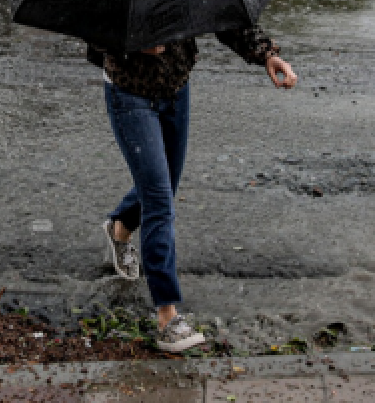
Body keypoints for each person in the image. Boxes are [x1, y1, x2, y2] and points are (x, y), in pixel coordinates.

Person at [89, 30, 297, 353]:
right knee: (159, 200)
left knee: (165, 185)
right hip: (129, 93)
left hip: (175, 89)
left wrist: (266, 55)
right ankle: (167, 316)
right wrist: (134, 43)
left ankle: (121, 226)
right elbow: (90, 24)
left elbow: (219, 9)